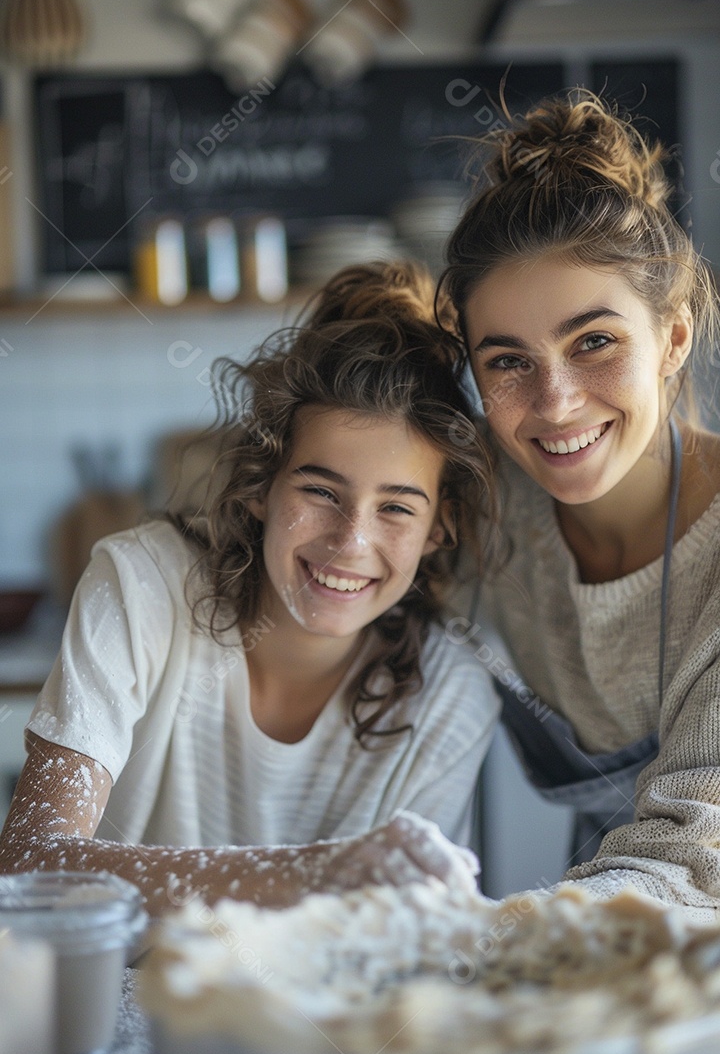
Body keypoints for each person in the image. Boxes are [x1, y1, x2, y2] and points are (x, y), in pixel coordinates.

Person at [0, 261, 500, 916]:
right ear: (262, 487)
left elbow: (410, 941)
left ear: (439, 529)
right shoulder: (142, 586)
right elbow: (29, 865)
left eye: (397, 508)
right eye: (320, 491)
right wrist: (313, 874)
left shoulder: (451, 696)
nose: (350, 542)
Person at [439, 89, 720, 921]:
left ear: (672, 337)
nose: (556, 404)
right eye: (508, 361)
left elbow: (696, 846)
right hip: (603, 912)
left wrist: (521, 939)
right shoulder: (487, 502)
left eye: (593, 342)